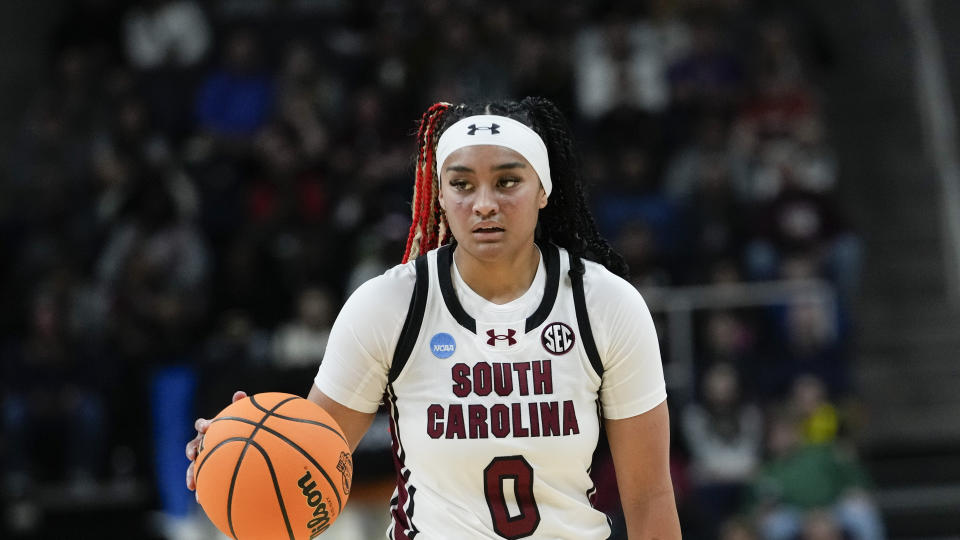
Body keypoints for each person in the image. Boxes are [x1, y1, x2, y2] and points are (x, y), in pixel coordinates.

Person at [186, 97, 681, 538]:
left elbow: (649, 496)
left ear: (544, 189)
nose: (484, 204)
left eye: (508, 181)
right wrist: (234, 451)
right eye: (462, 184)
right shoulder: (389, 306)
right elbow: (307, 464)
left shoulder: (606, 304)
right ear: (440, 195)